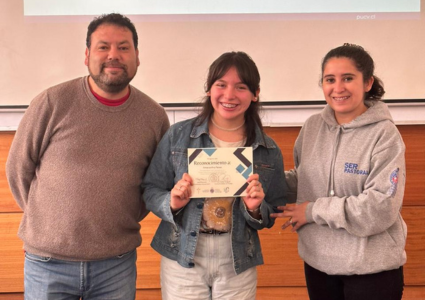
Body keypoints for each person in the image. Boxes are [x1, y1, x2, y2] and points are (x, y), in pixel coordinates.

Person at [6, 13, 170, 300]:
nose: (113, 55)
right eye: (103, 47)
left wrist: (118, 221)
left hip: (115, 264)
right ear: (87, 55)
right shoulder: (52, 102)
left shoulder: (153, 117)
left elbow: (155, 184)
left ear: (137, 56)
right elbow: (18, 168)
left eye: (123, 47)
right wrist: (44, 224)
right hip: (48, 264)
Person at [143, 51, 288, 299]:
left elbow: (273, 210)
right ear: (209, 89)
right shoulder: (179, 135)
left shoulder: (268, 149)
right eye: (221, 85)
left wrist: (255, 209)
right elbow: (151, 189)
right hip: (182, 254)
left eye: (241, 87)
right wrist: (172, 202)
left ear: (255, 94)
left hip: (237, 257)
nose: (229, 95)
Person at [271, 43, 406, 300]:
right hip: (318, 264)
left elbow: (380, 207)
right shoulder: (312, 127)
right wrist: (263, 181)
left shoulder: (385, 135)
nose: (338, 88)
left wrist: (311, 210)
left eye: (348, 78)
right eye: (330, 79)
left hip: (371, 269)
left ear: (367, 83)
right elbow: (305, 180)